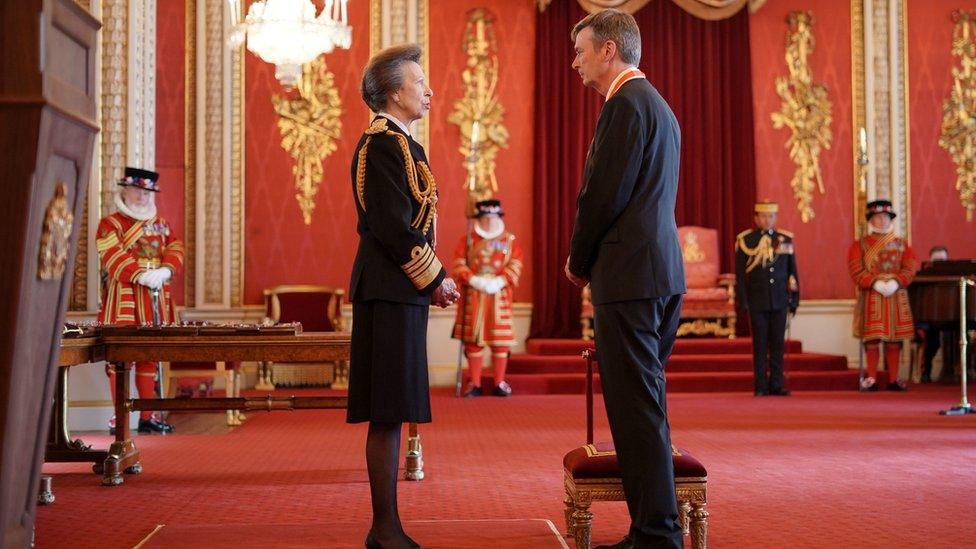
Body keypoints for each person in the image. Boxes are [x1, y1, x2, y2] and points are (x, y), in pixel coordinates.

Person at [564, 10, 685, 549]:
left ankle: (657, 534)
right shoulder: (659, 106)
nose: (576, 62)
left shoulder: (624, 105)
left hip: (630, 278)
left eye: (582, 51)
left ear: (609, 50)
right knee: (645, 405)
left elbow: (601, 196)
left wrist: (577, 261)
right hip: (658, 273)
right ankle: (654, 529)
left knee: (635, 409)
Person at [347, 43, 460, 549]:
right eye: (419, 82)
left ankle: (386, 525)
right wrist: (435, 278)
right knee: (388, 408)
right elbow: (392, 226)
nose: (429, 90)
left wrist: (431, 280)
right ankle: (384, 527)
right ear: (395, 92)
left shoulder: (404, 143)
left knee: (395, 407)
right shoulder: (381, 143)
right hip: (389, 291)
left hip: (401, 291)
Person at [96, 167, 184, 434]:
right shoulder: (110, 224)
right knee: (120, 358)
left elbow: (175, 247)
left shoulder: (161, 223)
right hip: (125, 296)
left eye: (147, 192)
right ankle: (118, 416)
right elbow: (110, 254)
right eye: (138, 191)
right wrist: (138, 274)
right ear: (125, 191)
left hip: (156, 296)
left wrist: (165, 270)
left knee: (150, 355)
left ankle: (148, 415)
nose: (143, 197)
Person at [451, 199, 523, 397]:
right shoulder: (468, 240)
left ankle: (499, 382)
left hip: (499, 297)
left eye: (492, 217)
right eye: (485, 217)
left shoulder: (510, 240)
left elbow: (516, 264)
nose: (489, 221)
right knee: (473, 340)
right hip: (474, 296)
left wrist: (500, 280)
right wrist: (473, 279)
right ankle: (475, 383)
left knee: (500, 341)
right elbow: (458, 264)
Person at [848, 200, 917, 391]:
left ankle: (894, 379)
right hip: (872, 294)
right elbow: (855, 269)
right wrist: (874, 283)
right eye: (878, 217)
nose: (882, 221)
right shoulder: (859, 245)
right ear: (871, 220)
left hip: (897, 294)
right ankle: (871, 378)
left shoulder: (902, 244)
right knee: (872, 338)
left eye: (886, 217)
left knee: (895, 338)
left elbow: (910, 267)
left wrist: (897, 282)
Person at [735, 200, 800, 396]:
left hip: (779, 299)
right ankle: (761, 385)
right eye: (763, 216)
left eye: (771, 216)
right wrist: (743, 300)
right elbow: (740, 274)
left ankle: (777, 384)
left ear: (775, 218)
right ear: (756, 218)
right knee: (760, 344)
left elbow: (792, 272)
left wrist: (794, 298)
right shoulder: (747, 240)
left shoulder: (784, 239)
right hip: (757, 300)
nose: (767, 220)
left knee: (778, 344)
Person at [917, 245, 949, 382]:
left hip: (950, 317)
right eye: (937, 260)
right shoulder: (922, 276)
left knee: (959, 336)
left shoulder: (954, 277)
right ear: (930, 260)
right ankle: (926, 372)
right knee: (931, 340)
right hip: (928, 317)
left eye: (943, 260)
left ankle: (957, 370)